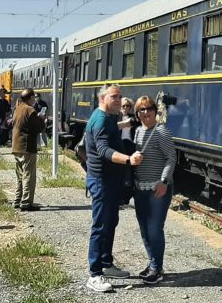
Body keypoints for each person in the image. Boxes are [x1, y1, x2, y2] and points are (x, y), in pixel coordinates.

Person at [84, 84, 143, 293]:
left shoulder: (108, 117)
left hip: (111, 179)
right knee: (100, 226)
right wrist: (128, 159)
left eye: (120, 96)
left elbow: (111, 129)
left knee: (111, 222)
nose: (119, 100)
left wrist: (124, 124)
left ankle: (106, 264)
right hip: (101, 180)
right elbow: (103, 150)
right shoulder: (100, 120)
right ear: (103, 98)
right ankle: (94, 274)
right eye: (114, 97)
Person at [132, 96, 177, 285]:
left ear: (155, 111)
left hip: (157, 189)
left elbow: (171, 158)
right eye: (141, 109)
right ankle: (153, 263)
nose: (146, 112)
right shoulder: (137, 132)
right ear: (137, 113)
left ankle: (157, 268)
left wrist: (164, 181)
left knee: (154, 228)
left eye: (149, 108)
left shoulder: (161, 132)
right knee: (144, 229)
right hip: (140, 188)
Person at [12, 89, 43, 211]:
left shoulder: (18, 109)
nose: (35, 100)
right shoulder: (31, 110)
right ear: (30, 98)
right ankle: (26, 203)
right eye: (34, 97)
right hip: (27, 147)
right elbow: (39, 128)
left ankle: (17, 199)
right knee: (29, 175)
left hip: (16, 146)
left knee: (19, 176)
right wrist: (42, 119)